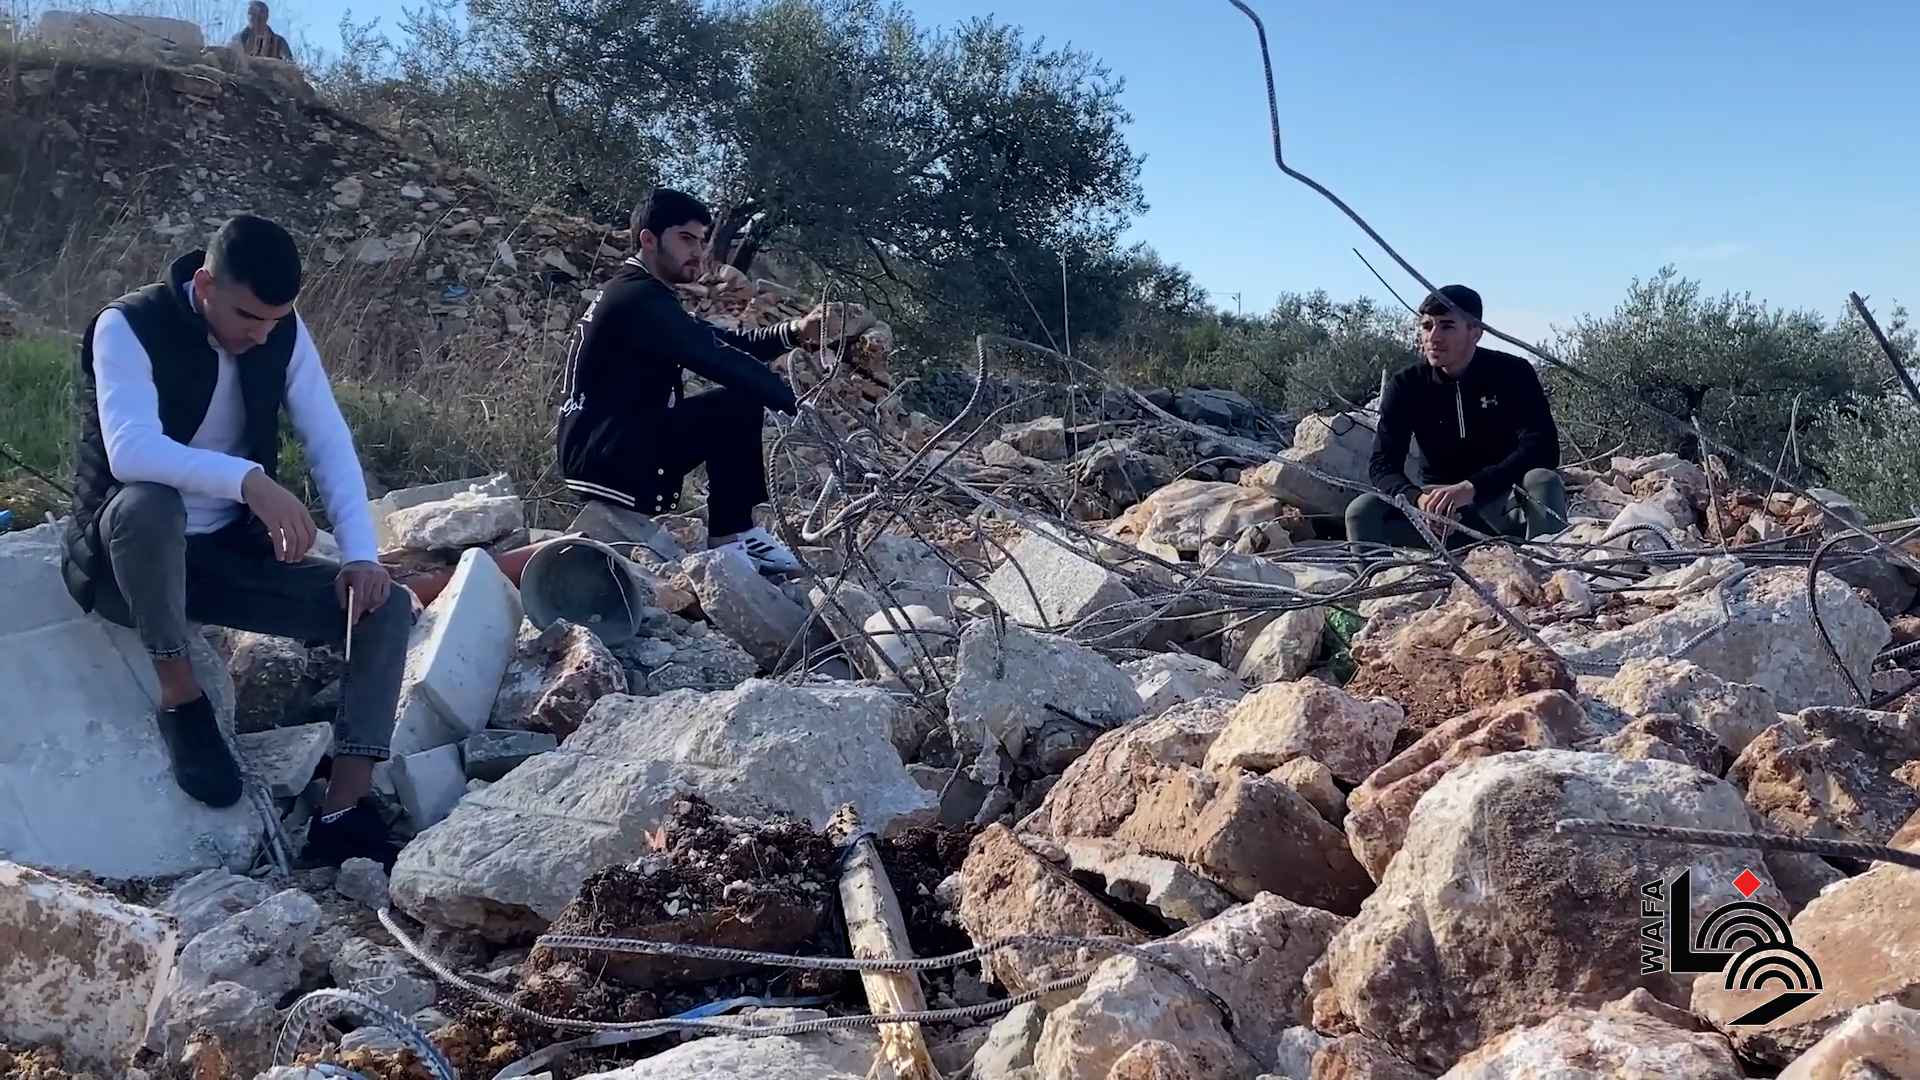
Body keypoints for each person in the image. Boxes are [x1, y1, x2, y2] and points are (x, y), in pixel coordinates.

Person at [60, 214, 409, 869]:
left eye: (275, 320)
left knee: (385, 605)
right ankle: (182, 697)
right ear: (204, 285)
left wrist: (361, 556)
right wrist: (248, 481)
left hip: (223, 560)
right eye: (248, 316)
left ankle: (343, 811)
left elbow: (328, 439)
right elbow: (131, 450)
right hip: (126, 564)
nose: (262, 334)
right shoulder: (127, 326)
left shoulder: (279, 332)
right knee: (150, 503)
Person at [556, 186, 848, 574]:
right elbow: (719, 359)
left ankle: (737, 535)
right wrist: (800, 407)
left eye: (702, 240)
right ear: (648, 239)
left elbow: (721, 342)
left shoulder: (640, 292)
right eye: (686, 239)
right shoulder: (639, 299)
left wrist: (795, 331)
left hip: (606, 450)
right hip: (606, 459)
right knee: (736, 404)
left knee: (733, 403)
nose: (698, 251)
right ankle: (732, 540)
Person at [1345, 284, 1567, 548]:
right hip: (1437, 513)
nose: (1433, 337)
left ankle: (1547, 565)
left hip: (1503, 502)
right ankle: (1380, 576)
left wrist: (1471, 487)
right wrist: (1418, 501)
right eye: (1427, 326)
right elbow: (1383, 464)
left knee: (1542, 480)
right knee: (1362, 511)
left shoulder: (1512, 373)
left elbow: (1542, 448)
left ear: (1475, 333)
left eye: (1447, 326)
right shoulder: (1406, 385)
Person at [227, 1, 293, 61]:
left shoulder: (279, 42)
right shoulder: (238, 39)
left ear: (266, 17)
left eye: (259, 14)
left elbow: (289, 64)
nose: (252, 17)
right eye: (250, 13)